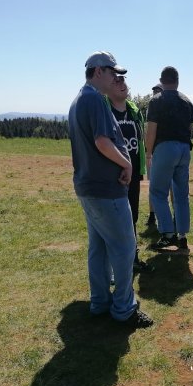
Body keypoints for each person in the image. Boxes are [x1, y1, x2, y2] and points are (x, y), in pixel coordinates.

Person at [68, 51, 153, 328]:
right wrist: (127, 163)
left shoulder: (80, 99)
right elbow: (102, 142)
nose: (116, 77)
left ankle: (100, 302)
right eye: (112, 72)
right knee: (125, 247)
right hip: (106, 189)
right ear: (98, 72)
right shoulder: (94, 99)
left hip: (89, 187)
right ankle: (124, 309)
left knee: (100, 248)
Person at [145, 66, 193, 249]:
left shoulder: (156, 100)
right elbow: (190, 129)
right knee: (181, 195)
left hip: (165, 147)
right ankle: (182, 235)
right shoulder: (187, 101)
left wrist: (148, 152)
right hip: (184, 149)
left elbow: (151, 130)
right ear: (177, 80)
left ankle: (167, 233)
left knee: (158, 192)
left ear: (161, 81)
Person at [106, 74, 150, 272]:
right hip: (112, 174)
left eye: (123, 80)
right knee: (114, 221)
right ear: (108, 86)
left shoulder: (133, 110)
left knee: (132, 216)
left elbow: (139, 141)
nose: (121, 83)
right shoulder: (105, 110)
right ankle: (115, 266)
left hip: (133, 173)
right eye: (116, 81)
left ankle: (133, 258)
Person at [145, 83, 164, 227]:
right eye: (154, 92)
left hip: (162, 151)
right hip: (153, 152)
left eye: (158, 91)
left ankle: (169, 216)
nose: (155, 94)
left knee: (167, 186)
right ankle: (152, 215)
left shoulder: (166, 108)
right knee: (152, 185)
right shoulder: (151, 108)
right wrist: (148, 152)